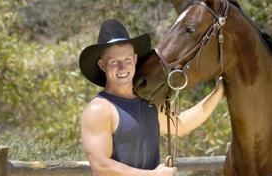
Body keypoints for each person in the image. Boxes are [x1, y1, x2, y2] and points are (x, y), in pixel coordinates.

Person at [79, 19, 224, 176]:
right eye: (114, 62)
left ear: (134, 59)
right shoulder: (99, 109)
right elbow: (101, 166)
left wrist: (217, 93)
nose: (122, 67)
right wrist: (152, 175)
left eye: (127, 60)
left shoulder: (147, 100)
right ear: (102, 65)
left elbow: (181, 125)